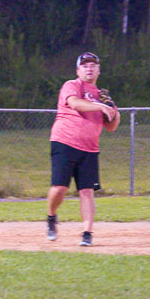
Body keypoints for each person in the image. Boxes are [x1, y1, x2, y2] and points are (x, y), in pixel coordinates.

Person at [45, 51, 120, 246]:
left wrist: (112, 110)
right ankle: (51, 216)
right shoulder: (72, 86)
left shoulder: (101, 96)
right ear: (78, 70)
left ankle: (87, 233)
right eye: (85, 65)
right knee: (60, 187)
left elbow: (111, 127)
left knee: (87, 191)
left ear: (99, 70)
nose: (89, 68)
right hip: (64, 142)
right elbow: (75, 103)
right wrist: (99, 106)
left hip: (90, 149)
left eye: (93, 65)